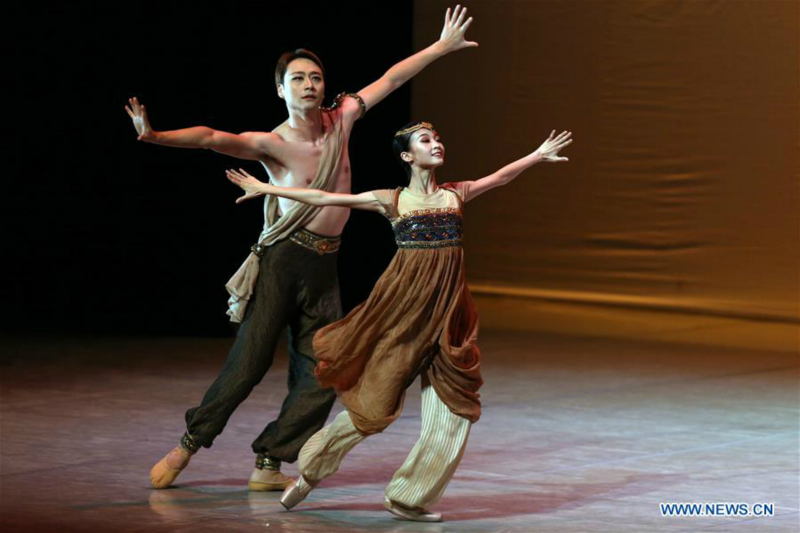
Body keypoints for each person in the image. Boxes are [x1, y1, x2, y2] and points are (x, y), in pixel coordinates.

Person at [125, 6, 479, 491]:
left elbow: (392, 78)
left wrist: (440, 46)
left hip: (324, 263)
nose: (309, 84)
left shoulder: (342, 120)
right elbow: (210, 137)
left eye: (315, 77)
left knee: (321, 372)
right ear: (281, 89)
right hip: (283, 260)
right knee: (249, 364)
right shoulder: (271, 143)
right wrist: (154, 136)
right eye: (297, 78)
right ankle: (190, 442)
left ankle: (270, 460)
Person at [225, 122, 572, 521]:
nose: (437, 144)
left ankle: (408, 497)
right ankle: (310, 472)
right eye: (426, 141)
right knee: (372, 408)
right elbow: (323, 197)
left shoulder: (455, 194)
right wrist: (269, 188)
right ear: (408, 156)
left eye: (438, 138)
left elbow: (499, 178)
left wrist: (536, 155)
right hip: (403, 317)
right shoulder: (393, 200)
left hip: (449, 318)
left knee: (455, 411)